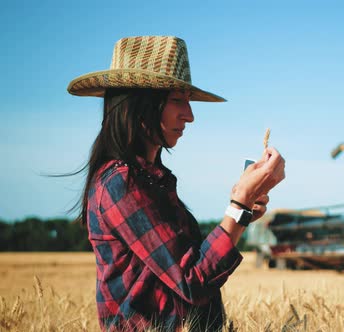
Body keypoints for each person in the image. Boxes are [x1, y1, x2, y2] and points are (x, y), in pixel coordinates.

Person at [67, 36, 285, 331]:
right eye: (177, 100)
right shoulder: (121, 183)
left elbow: (190, 262)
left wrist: (243, 211)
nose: (190, 115)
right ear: (140, 104)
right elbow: (193, 280)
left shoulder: (148, 180)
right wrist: (239, 203)